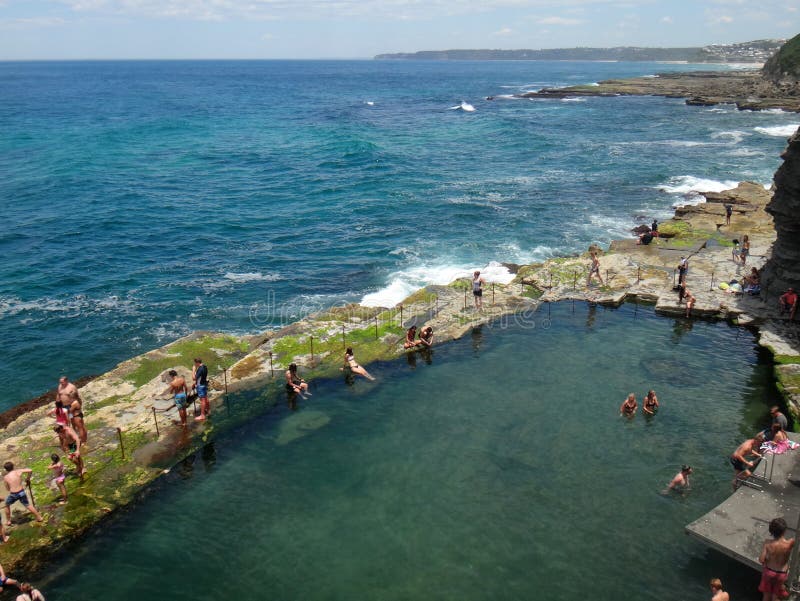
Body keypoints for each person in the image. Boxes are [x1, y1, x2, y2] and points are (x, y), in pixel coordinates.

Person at [759, 517, 795, 601]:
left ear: (771, 532)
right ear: (784, 531)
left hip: (768, 572)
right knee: (776, 596)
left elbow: (761, 560)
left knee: (766, 595)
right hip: (781, 574)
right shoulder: (790, 543)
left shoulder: (767, 543)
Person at [57, 376, 86, 444]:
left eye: (62, 382)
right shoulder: (60, 386)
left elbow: (77, 396)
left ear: (66, 381)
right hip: (64, 406)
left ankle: (81, 439)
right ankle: (73, 434)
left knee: (75, 422)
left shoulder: (72, 387)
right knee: (70, 421)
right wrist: (58, 404)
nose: (61, 383)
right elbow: (58, 395)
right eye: (60, 382)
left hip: (71, 406)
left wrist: (78, 406)